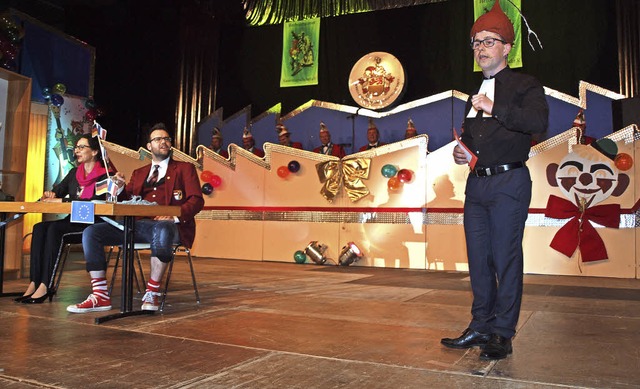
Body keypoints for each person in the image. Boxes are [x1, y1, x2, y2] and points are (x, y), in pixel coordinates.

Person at [440, 1, 548, 361]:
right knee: (479, 260)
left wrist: (493, 106)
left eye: (488, 41)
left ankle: (502, 332)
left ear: (507, 47)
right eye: (476, 42)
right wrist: (464, 152)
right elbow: (476, 140)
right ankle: (480, 325)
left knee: (505, 258)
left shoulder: (525, 85)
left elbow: (537, 123)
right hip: (478, 185)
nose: (481, 48)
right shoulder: (476, 91)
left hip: (509, 183)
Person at [67, 123, 204, 313]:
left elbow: (196, 200)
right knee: (92, 232)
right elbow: (127, 200)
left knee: (162, 228)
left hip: (170, 226)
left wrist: (174, 217)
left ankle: (153, 291)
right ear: (149, 146)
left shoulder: (184, 168)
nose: (163, 142)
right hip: (137, 226)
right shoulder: (139, 173)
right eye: (158, 139)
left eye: (166, 139)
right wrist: (120, 187)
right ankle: (100, 295)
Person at [15, 134, 114, 304]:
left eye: (82, 147)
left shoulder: (105, 175)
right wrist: (51, 194)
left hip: (95, 223)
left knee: (55, 230)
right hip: (73, 220)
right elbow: (58, 191)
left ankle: (46, 285)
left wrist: (63, 200)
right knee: (39, 227)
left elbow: (97, 203)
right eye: (76, 147)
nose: (77, 150)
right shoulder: (74, 172)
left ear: (95, 151)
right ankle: (34, 282)